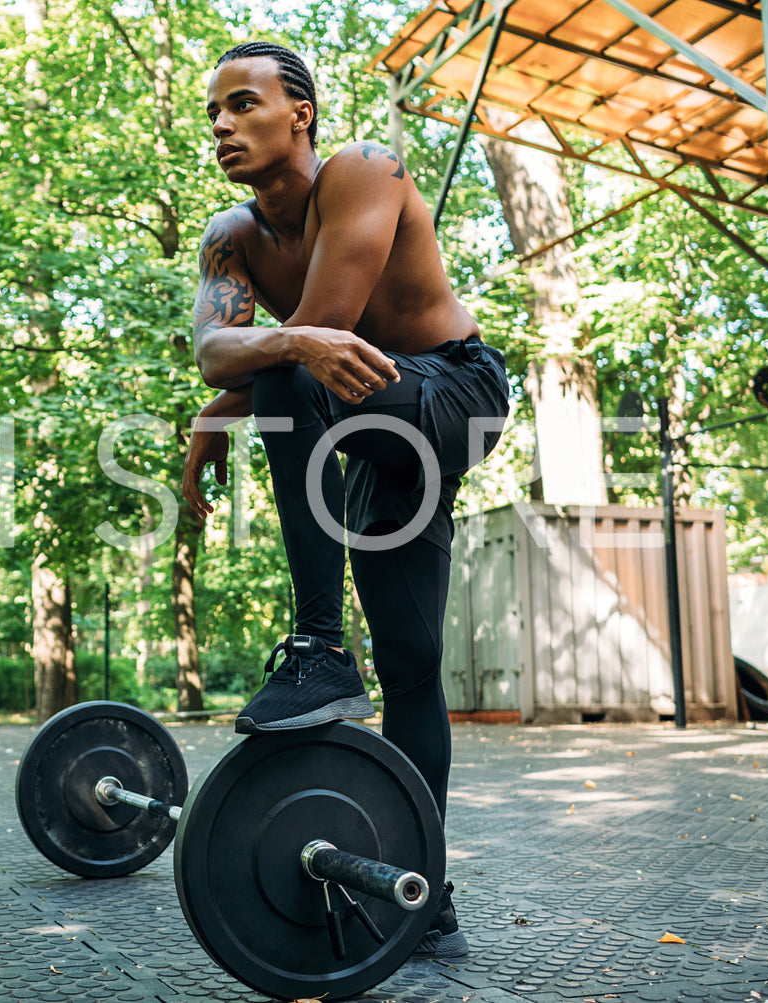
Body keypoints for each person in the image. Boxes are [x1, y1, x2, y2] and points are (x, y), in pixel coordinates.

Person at [179, 41, 511, 960]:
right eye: (212, 113)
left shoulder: (364, 171)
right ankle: (426, 894)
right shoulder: (228, 237)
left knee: (289, 363)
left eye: (242, 104)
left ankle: (317, 645)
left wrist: (225, 399)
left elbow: (306, 339)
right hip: (365, 423)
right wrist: (225, 386)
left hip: (453, 393)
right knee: (409, 661)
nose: (221, 125)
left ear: (301, 113)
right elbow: (214, 348)